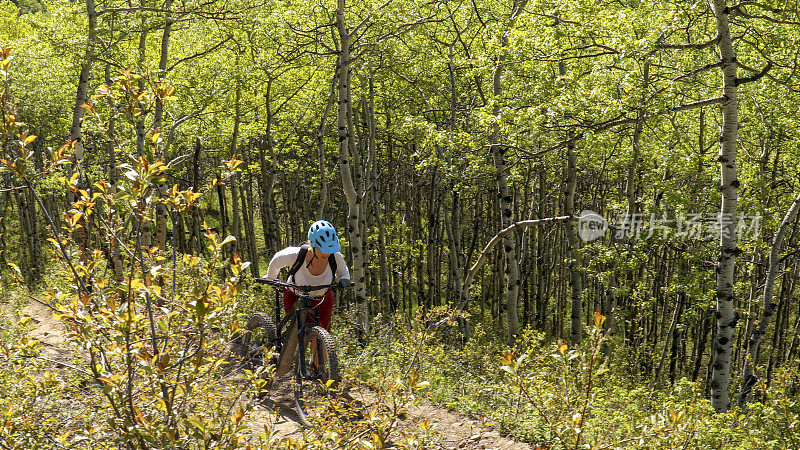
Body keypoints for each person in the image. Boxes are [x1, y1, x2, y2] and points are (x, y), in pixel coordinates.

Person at [264, 220, 350, 331]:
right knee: (300, 331)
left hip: (323, 299)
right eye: (324, 250)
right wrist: (270, 278)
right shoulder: (294, 255)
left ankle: (319, 347)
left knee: (322, 335)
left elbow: (344, 272)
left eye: (330, 249)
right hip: (295, 297)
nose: (328, 253)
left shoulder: (335, 257)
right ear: (313, 246)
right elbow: (276, 260)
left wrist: (344, 279)